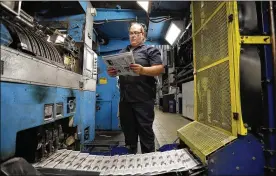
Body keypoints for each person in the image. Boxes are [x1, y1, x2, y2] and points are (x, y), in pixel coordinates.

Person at [107, 23, 164, 154]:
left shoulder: (150, 50)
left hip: (143, 99)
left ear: (142, 35)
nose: (133, 36)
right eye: (131, 33)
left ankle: (148, 162)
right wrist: (112, 72)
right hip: (125, 100)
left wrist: (143, 70)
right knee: (129, 134)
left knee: (145, 133)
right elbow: (116, 70)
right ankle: (131, 162)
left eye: (136, 33)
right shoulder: (123, 52)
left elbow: (159, 69)